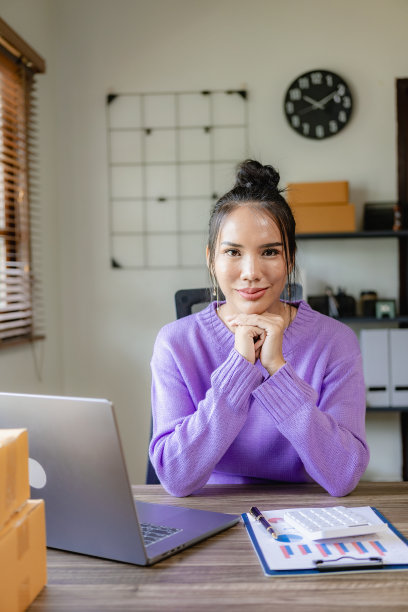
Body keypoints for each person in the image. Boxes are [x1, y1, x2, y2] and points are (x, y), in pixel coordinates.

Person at [149, 159, 369, 497]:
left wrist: (277, 368)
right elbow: (176, 477)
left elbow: (343, 475)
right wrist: (240, 366)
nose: (251, 271)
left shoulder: (335, 342)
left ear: (290, 259)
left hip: (308, 519)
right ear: (211, 259)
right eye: (233, 252)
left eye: (269, 251)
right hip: (211, 514)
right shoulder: (175, 343)